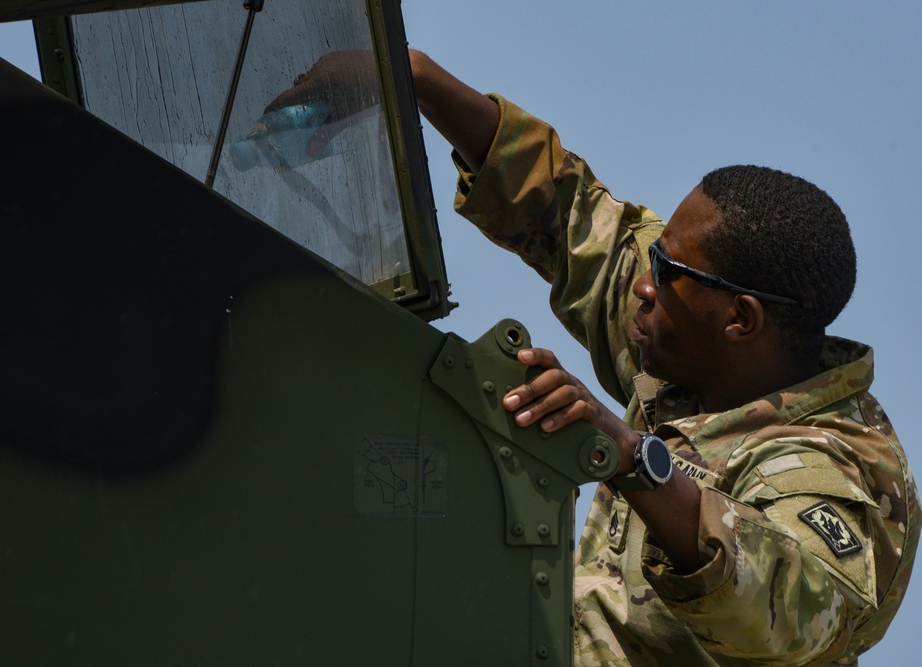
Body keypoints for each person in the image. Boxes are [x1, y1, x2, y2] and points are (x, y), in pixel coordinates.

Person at [274, 51, 921, 665]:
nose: (645, 282)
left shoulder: (833, 466)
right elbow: (565, 211)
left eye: (667, 272)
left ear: (740, 318)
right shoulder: (684, 338)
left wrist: (632, 455)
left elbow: (791, 606)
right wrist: (408, 77)